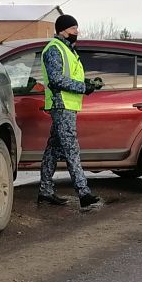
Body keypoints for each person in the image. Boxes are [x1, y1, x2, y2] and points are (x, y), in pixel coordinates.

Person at [37, 14, 103, 209]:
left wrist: (88, 84)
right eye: (74, 29)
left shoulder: (68, 50)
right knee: (71, 149)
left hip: (68, 105)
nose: (77, 32)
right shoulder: (54, 49)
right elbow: (55, 79)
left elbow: (68, 76)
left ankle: (45, 191)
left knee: (53, 149)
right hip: (61, 104)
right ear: (63, 30)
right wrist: (83, 87)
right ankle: (83, 192)